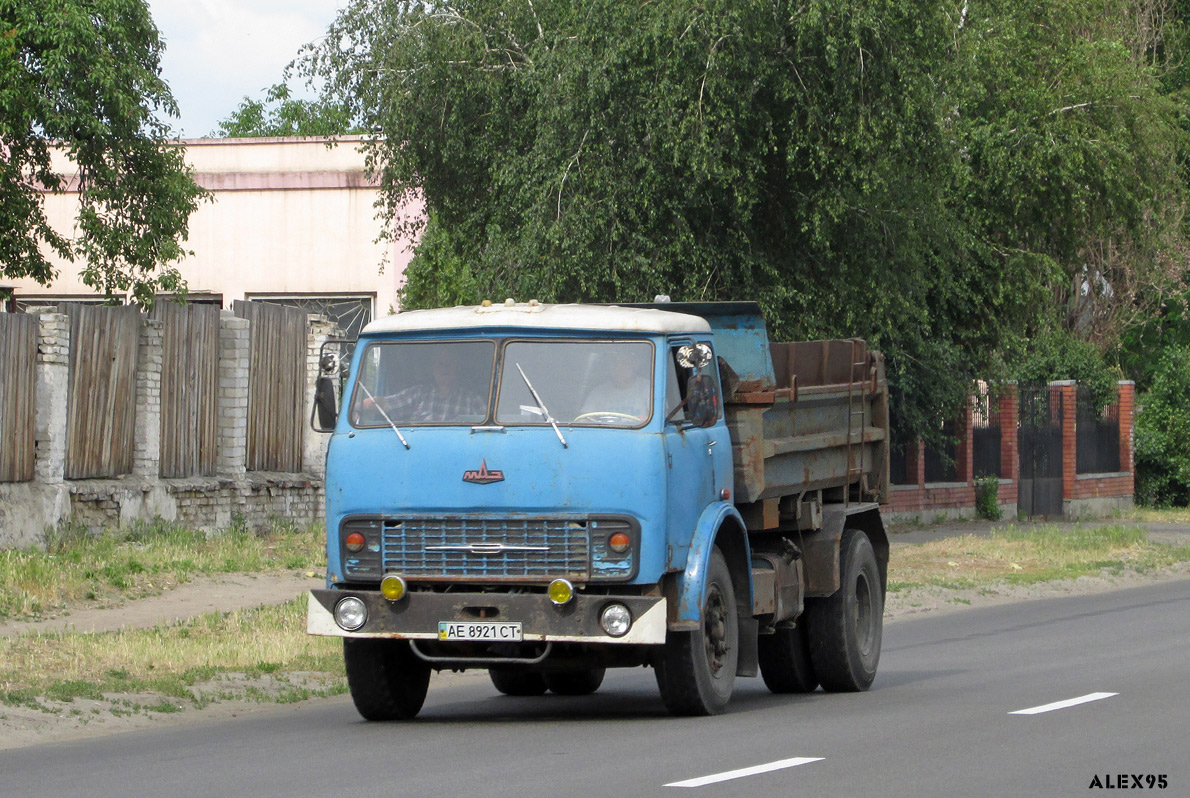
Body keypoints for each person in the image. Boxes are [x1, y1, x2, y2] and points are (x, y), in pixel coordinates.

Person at [360, 350, 487, 424]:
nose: (444, 369)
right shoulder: (419, 394)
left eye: (449, 364)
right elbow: (384, 404)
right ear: (432, 368)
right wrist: (356, 408)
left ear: (457, 368)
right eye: (440, 364)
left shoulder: (472, 400)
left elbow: (488, 428)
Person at [579, 355, 651, 421]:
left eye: (625, 363)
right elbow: (584, 418)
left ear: (635, 366)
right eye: (615, 364)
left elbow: (657, 419)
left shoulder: (648, 388)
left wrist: (645, 420)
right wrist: (586, 420)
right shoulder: (599, 391)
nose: (619, 368)